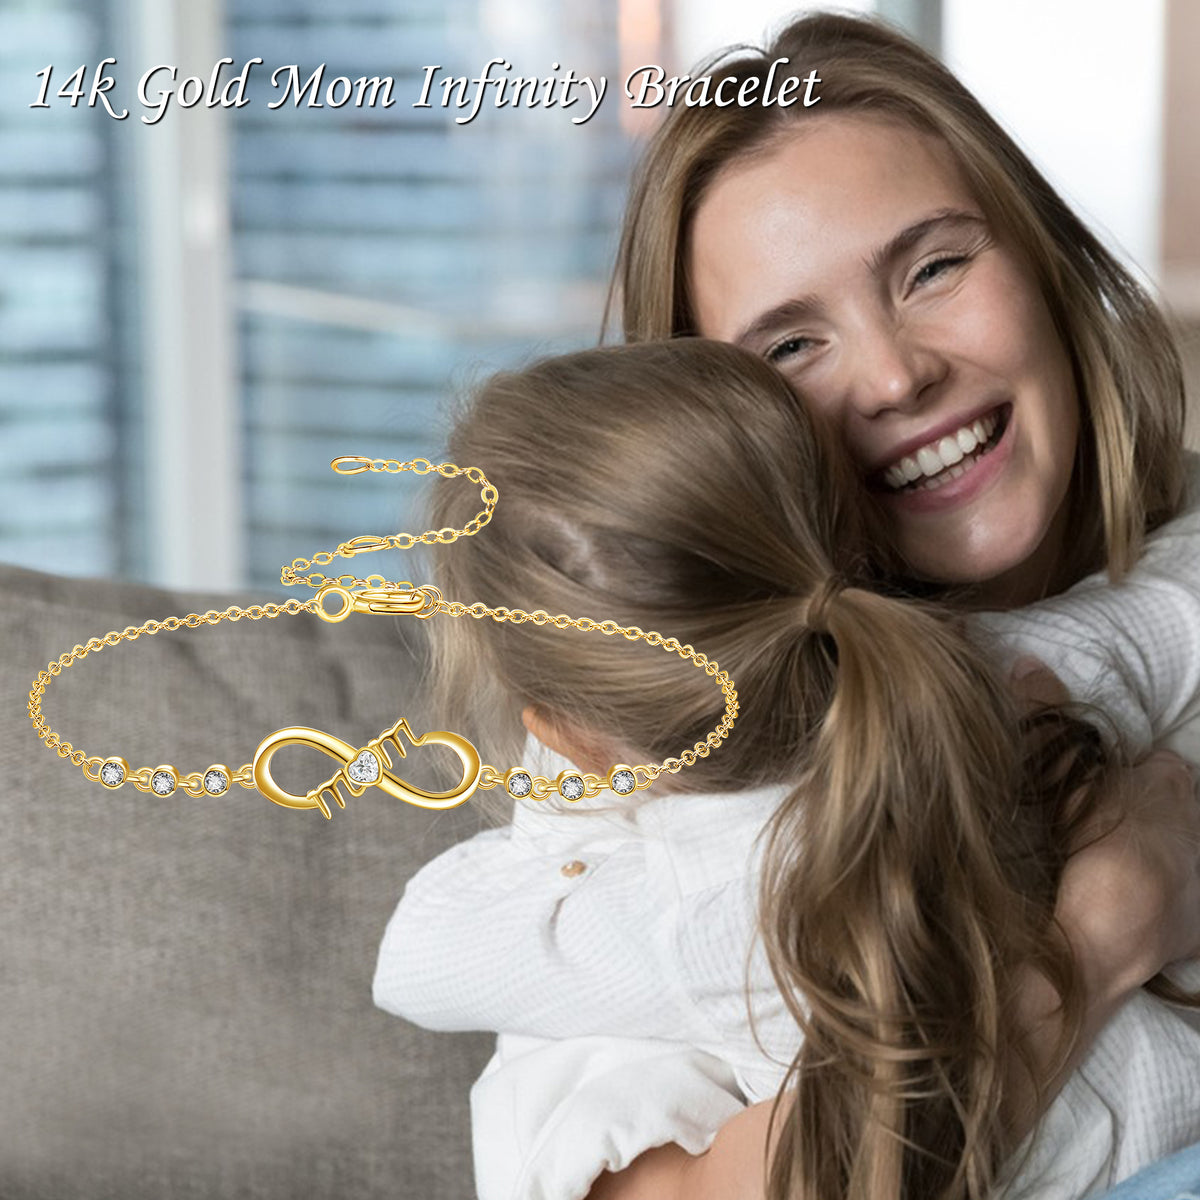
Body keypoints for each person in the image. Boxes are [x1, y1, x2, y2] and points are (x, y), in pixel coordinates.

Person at [377, 12, 1200, 1198]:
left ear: (1044, 260)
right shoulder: (655, 749)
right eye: (792, 347)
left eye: (935, 268)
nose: (897, 374)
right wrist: (1100, 929)